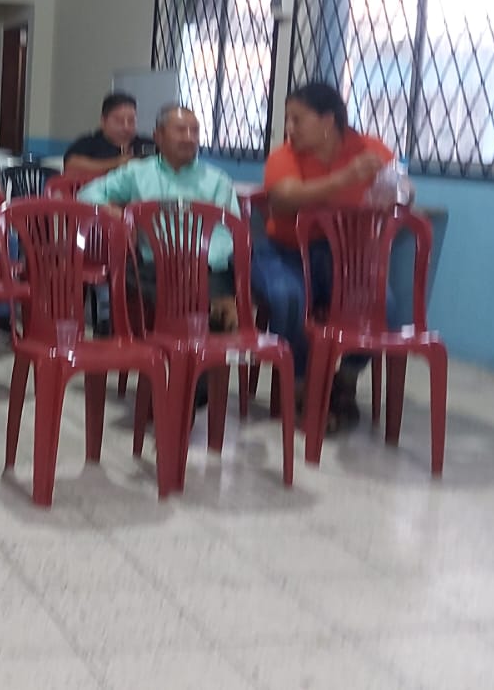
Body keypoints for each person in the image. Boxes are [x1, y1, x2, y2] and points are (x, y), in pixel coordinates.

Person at [252, 81, 398, 432]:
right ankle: (300, 386)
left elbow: (399, 187)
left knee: (383, 305)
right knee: (287, 297)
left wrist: (397, 191)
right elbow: (283, 199)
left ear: (327, 121)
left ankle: (344, 382)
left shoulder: (369, 148)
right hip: (285, 252)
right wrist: (344, 179)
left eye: (297, 119)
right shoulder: (284, 156)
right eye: (288, 119)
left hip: (343, 258)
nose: (289, 127)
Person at [78, 104, 240, 326]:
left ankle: (201, 335)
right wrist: (111, 210)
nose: (189, 138)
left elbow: (229, 232)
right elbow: (87, 193)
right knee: (127, 276)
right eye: (181, 130)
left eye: (194, 131)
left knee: (220, 297)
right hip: (154, 266)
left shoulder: (217, 180)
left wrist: (199, 261)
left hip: (204, 267)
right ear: (158, 136)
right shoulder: (137, 173)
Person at [63, 92, 155, 176]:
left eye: (131, 121)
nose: (126, 127)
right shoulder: (89, 143)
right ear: (103, 121)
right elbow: (71, 165)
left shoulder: (148, 144)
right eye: (119, 121)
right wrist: (117, 163)